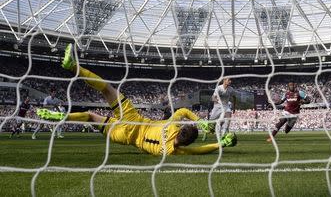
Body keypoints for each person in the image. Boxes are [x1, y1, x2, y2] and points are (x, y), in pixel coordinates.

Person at [37, 43, 237, 155]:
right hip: (125, 138)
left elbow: (183, 112)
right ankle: (60, 118)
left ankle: (73, 67)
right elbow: (200, 150)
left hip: (134, 120)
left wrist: (200, 121)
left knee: (107, 89)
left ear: (182, 129)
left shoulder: (172, 125)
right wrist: (221, 145)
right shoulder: (170, 151)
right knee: (90, 117)